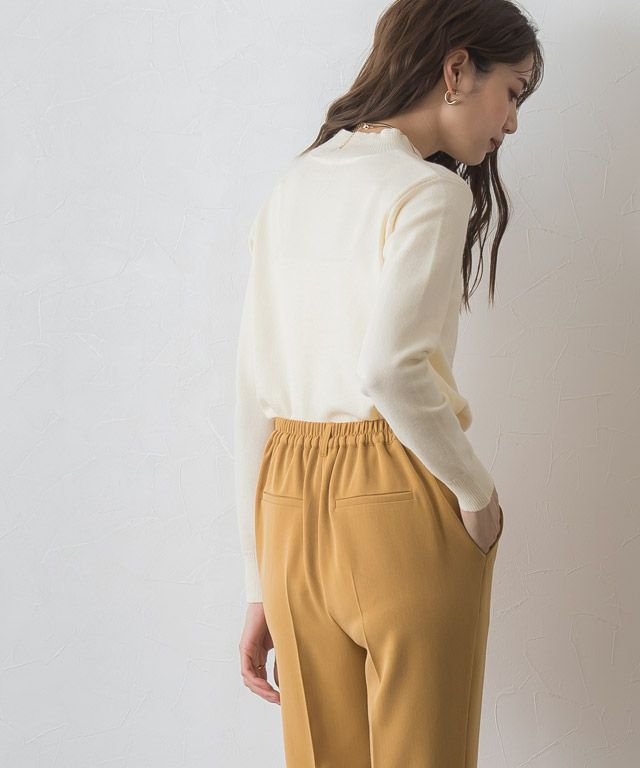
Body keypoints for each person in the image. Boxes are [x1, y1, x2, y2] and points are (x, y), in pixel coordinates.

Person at [234, 0, 544, 764]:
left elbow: (251, 391)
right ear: (457, 68)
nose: (512, 123)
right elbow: (390, 369)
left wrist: (258, 579)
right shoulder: (430, 191)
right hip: (398, 493)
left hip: (286, 501)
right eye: (512, 92)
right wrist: (477, 496)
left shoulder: (295, 181)